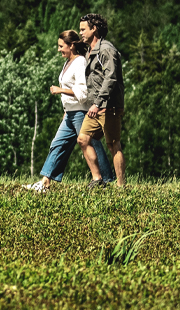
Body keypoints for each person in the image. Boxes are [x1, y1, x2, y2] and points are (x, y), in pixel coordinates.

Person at [24, 30, 115, 192]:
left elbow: (83, 92)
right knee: (58, 144)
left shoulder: (79, 62)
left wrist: (61, 90)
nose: (58, 49)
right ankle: (45, 182)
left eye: (61, 46)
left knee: (92, 144)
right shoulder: (68, 62)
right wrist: (66, 111)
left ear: (71, 45)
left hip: (81, 112)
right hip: (71, 113)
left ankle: (106, 180)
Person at [76, 12, 126, 188]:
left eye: (83, 29)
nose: (80, 32)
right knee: (83, 139)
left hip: (108, 105)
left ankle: (121, 186)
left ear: (94, 28)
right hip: (95, 107)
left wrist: (98, 103)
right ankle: (98, 180)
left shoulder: (106, 50)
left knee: (113, 145)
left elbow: (110, 78)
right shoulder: (90, 50)